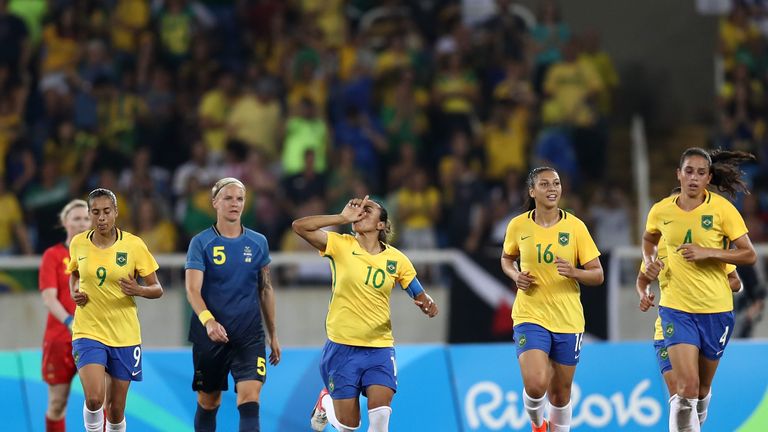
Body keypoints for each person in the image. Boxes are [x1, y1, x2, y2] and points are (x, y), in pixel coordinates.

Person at [293, 195, 438, 432]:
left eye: (367, 209)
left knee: (380, 422)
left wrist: (426, 302)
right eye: (357, 208)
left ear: (381, 224)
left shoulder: (396, 259)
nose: (360, 211)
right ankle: (325, 400)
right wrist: (341, 218)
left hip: (379, 348)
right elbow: (299, 226)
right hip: (342, 348)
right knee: (348, 426)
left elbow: (416, 290)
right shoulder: (340, 244)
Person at [642, 148, 757, 432]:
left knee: (702, 390)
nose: (694, 178)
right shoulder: (661, 210)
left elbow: (749, 255)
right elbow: (649, 240)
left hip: (716, 311)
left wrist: (709, 252)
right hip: (676, 310)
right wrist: (650, 263)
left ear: (708, 178)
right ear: (678, 174)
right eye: (689, 171)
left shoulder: (722, 210)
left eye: (701, 173)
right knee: (686, 390)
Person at [500, 167, 604, 432]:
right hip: (530, 314)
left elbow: (598, 274)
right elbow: (506, 258)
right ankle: (537, 425)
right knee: (535, 385)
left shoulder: (576, 227)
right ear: (532, 191)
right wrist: (515, 275)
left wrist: (574, 272)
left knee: (560, 395)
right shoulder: (518, 225)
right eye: (545, 184)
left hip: (567, 319)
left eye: (556, 183)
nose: (552, 188)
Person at [185, 177, 280, 432]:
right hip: (211, 336)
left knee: (250, 397)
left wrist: (273, 334)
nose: (234, 203)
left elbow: (265, 288)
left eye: (239, 198)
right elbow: (192, 289)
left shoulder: (258, 242)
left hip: (249, 334)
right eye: (228, 198)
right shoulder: (201, 242)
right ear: (215, 202)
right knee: (208, 401)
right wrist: (209, 321)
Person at [68, 188, 163, 432]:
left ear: (116, 213)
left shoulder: (134, 245)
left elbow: (157, 288)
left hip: (124, 334)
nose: (101, 218)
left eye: (106, 212)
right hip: (88, 329)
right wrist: (74, 290)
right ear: (89, 214)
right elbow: (75, 272)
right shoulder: (78, 243)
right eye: (96, 212)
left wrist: (138, 290)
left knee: (116, 409)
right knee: (94, 399)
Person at [636, 231, 741, 425]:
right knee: (681, 393)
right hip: (670, 326)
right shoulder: (657, 248)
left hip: (707, 321)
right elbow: (643, 279)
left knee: (699, 392)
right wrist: (645, 294)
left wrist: (711, 286)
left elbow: (736, 282)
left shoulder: (704, 246)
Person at [39, 199, 90, 431]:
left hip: (93, 338)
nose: (82, 223)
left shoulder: (101, 254)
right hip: (61, 338)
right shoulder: (53, 255)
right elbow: (49, 297)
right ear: (64, 222)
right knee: (57, 404)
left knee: (100, 401)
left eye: (86, 218)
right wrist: (70, 321)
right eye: (77, 218)